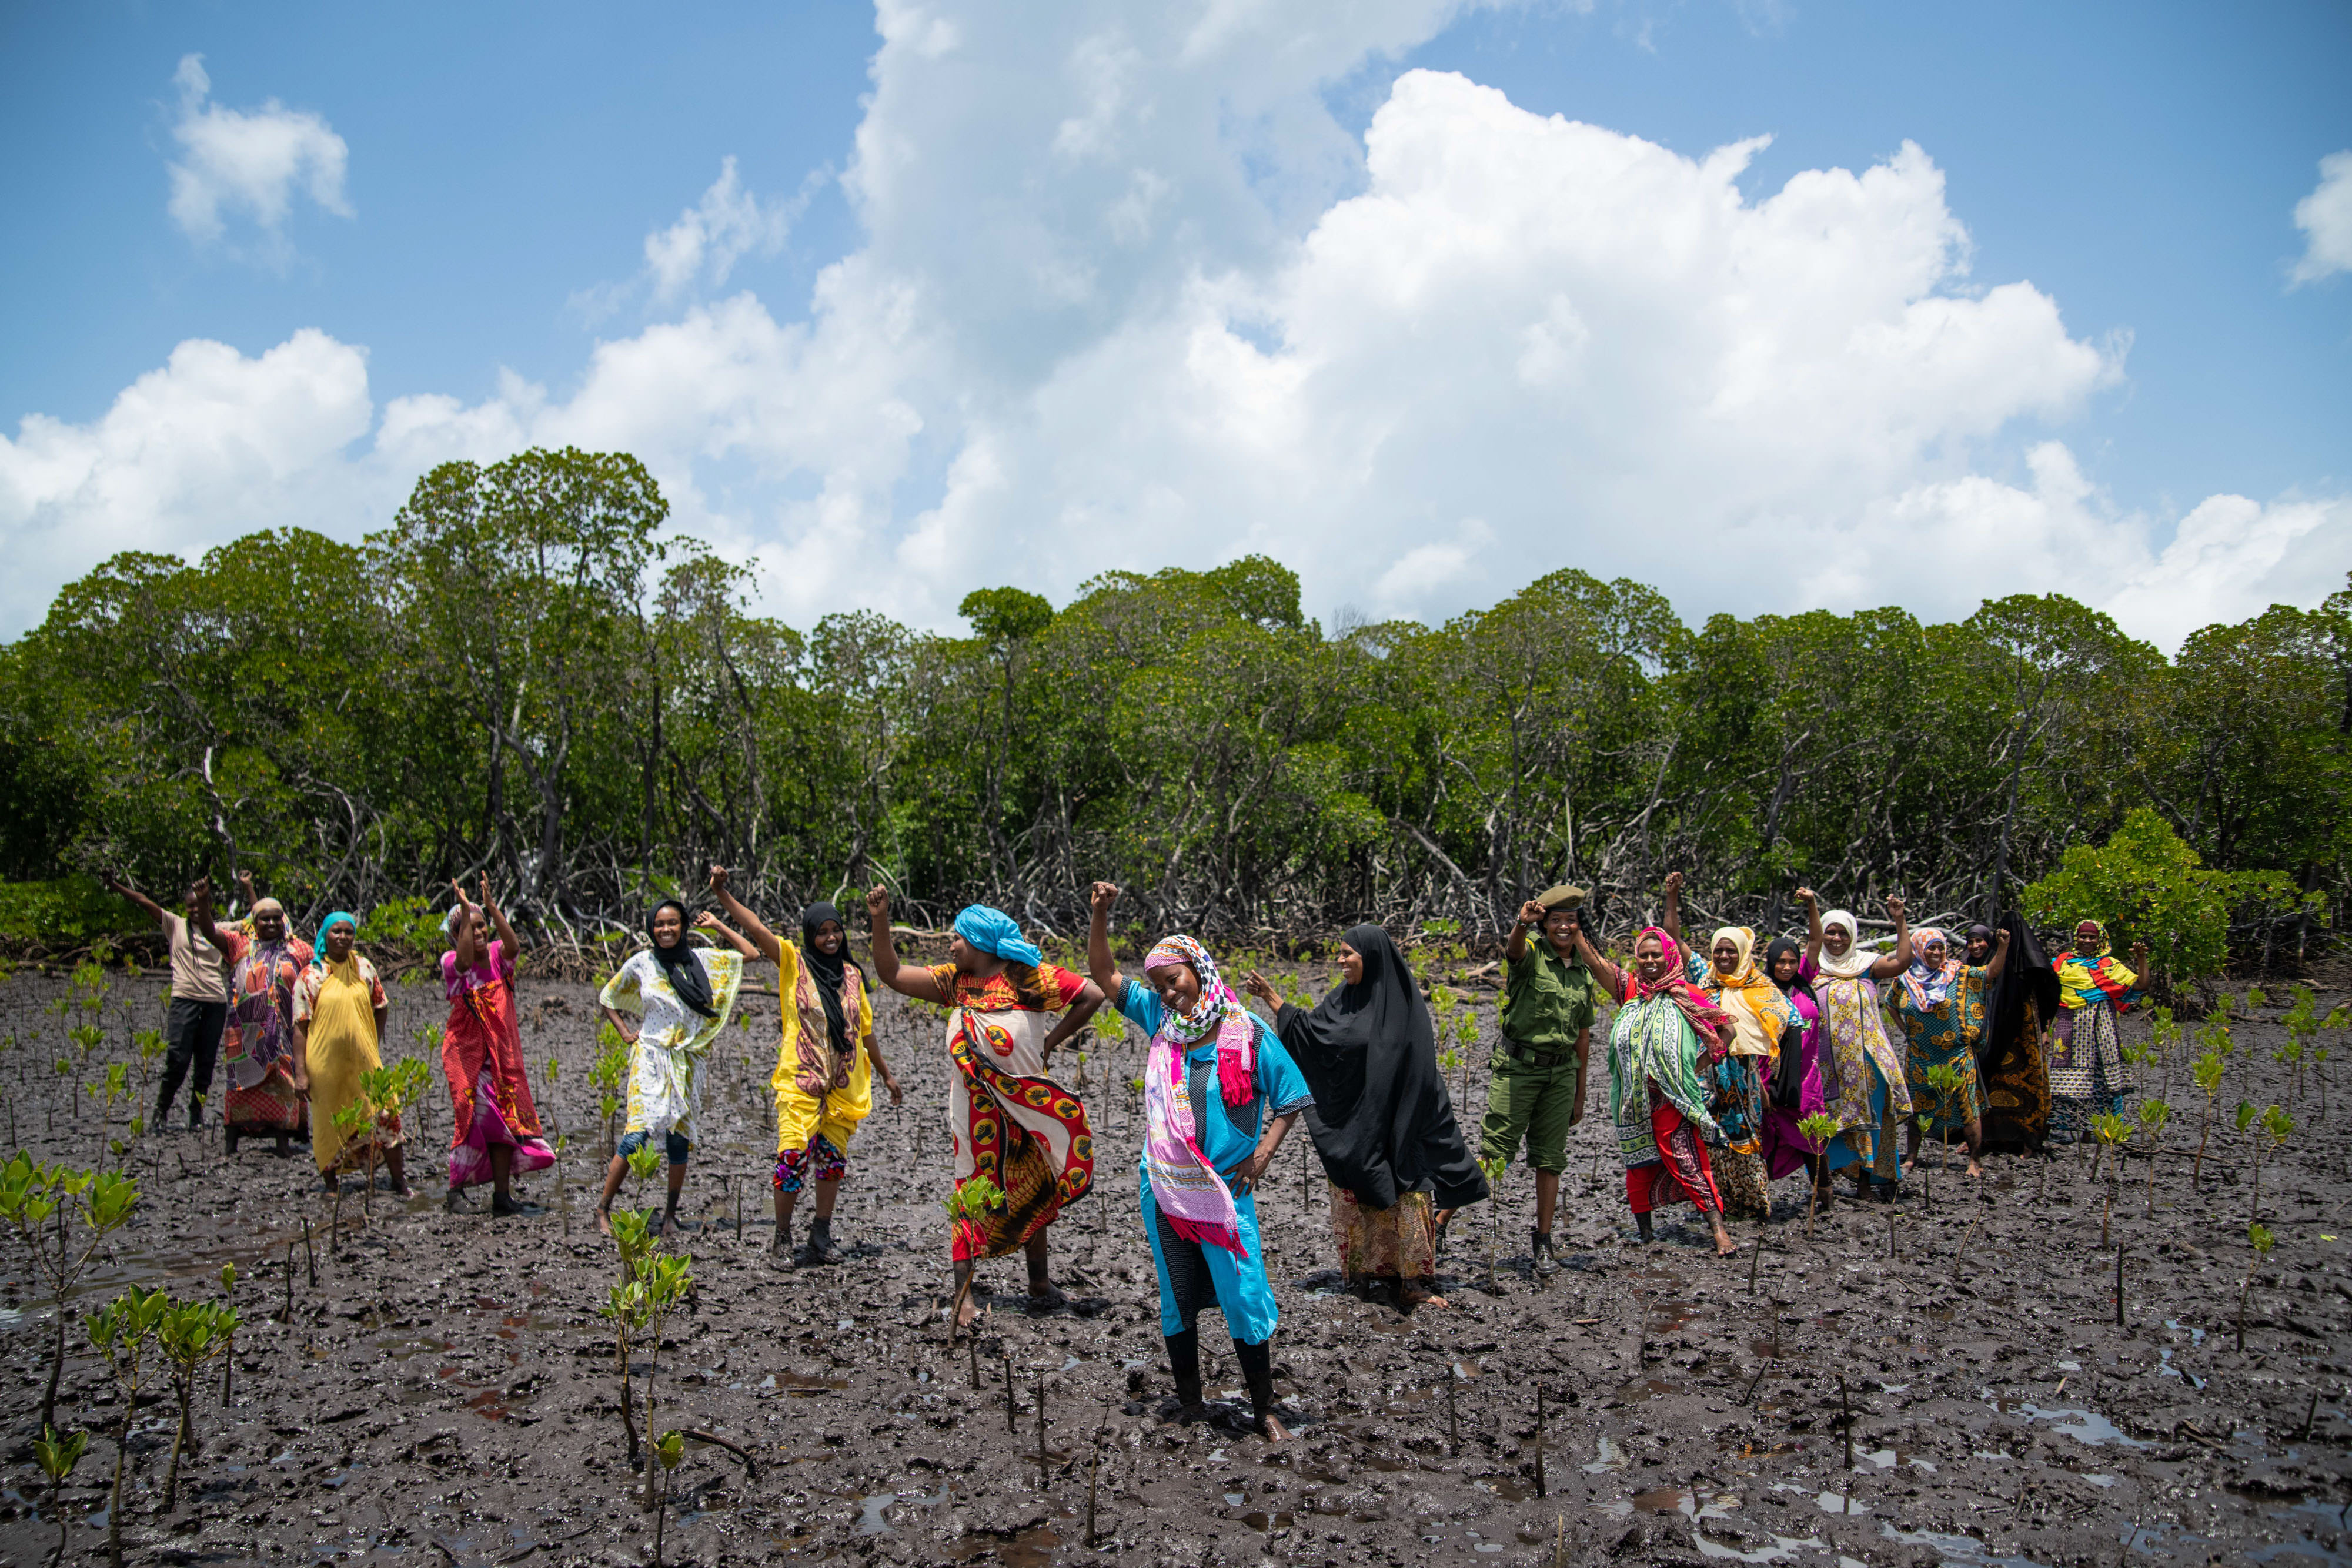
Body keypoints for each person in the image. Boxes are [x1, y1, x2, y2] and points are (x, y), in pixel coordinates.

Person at [1088, 884, 1312, 1440]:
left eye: (1175, 979)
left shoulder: (1248, 1031)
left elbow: (1291, 1096)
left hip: (1225, 1191)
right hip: (1164, 1187)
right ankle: (1191, 1402)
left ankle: (1264, 1408)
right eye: (1160, 985)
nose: (1168, 993)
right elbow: (1104, 973)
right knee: (1177, 1289)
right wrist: (1099, 915)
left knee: (1242, 1290)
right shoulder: (1161, 1024)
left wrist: (1261, 1156)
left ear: (1200, 969)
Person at [867, 888, 1105, 1326]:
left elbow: (1091, 994)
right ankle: (965, 1297)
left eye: (957, 938)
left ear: (979, 942)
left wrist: (1051, 1042)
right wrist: (881, 920)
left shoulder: (1027, 978)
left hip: (1025, 1105)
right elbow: (893, 974)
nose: (951, 945)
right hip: (975, 1116)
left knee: (1035, 1184)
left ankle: (1039, 1282)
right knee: (970, 1194)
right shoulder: (954, 982)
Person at [1241, 925, 1488, 1309]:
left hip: (1400, 1122)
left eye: (1347, 953)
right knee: (1357, 1187)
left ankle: (1414, 1282)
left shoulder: (1403, 1005)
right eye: (1339, 953)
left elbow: (1420, 1069)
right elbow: (1314, 1036)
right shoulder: (1343, 999)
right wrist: (1271, 997)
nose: (1340, 961)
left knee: (1407, 1193)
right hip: (1359, 1121)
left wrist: (1404, 1121)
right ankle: (1364, 1277)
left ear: (1369, 956)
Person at [705, 868, 903, 1268]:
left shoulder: (852, 975)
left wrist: (886, 1073)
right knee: (793, 1155)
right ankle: (782, 1238)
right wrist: (722, 893)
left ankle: (821, 1233)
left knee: (832, 1161)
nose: (830, 938)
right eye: (822, 931)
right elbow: (756, 927)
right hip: (802, 1080)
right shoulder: (794, 963)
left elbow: (864, 1031)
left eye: (836, 930)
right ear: (810, 933)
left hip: (843, 1084)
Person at [1569, 921, 1742, 1256]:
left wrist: (1698, 1066)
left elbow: (1728, 1031)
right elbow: (1594, 961)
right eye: (1644, 955)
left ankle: (1719, 1232)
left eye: (1656, 955)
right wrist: (1575, 926)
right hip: (1634, 1099)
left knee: (1687, 1159)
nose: (1650, 961)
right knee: (1639, 1165)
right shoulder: (1631, 991)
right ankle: (1645, 1234)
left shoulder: (1688, 994)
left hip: (1674, 1098)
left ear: (1670, 956)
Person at [595, 899, 758, 1238]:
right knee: (637, 1133)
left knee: (678, 1139)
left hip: (688, 1061)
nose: (666, 930)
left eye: (672, 923)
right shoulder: (643, 962)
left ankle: (670, 1215)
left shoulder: (703, 960)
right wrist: (626, 1033)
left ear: (684, 926)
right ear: (651, 929)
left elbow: (751, 954)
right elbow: (608, 997)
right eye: (659, 924)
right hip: (651, 1057)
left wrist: (716, 926)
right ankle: (604, 1208)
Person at [1481, 885, 1601, 1274]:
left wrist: (1581, 1094)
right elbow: (1513, 953)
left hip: (1561, 1073)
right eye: (1556, 920)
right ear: (1545, 924)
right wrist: (1520, 923)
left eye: (1571, 920)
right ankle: (1444, 1219)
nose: (1564, 926)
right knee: (1495, 1150)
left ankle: (1544, 1241)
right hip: (1518, 1069)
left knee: (1551, 1159)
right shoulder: (1532, 952)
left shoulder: (1583, 971)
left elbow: (1583, 1036)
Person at [441, 877, 555, 1215]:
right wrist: (465, 907)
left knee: (503, 1122)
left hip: (500, 1053)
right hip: (465, 1052)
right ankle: (455, 1190)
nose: (477, 933)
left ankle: (502, 1197)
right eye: (467, 927)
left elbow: (514, 946)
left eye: (480, 927)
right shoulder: (450, 961)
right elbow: (463, 964)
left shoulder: (496, 956)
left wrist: (490, 907)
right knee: (469, 1116)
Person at [1799, 891, 1915, 1200]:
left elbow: (1904, 960)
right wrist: (1811, 905)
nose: (1836, 938)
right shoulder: (1812, 969)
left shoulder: (1866, 965)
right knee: (1826, 1123)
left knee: (1869, 1121)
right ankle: (1827, 1188)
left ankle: (1865, 1185)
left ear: (1853, 936)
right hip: (1825, 1065)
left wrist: (1900, 920)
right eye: (1830, 932)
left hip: (1867, 1064)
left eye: (1842, 933)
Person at [102, 872, 236, 1131]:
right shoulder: (174, 924)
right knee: (177, 1057)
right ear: (185, 908)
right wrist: (115, 886)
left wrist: (248, 887)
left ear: (209, 905)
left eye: (201, 905)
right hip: (184, 1000)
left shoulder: (222, 929)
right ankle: (161, 1111)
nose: (196, 910)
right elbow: (144, 901)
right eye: (191, 906)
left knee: (206, 1062)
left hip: (215, 1002)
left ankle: (196, 1113)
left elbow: (257, 919)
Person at [291, 911, 411, 1195]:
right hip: (325, 1066)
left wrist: (373, 1040)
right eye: (337, 932)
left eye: (348, 932)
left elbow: (381, 1005)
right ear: (325, 935)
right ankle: (332, 1186)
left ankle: (399, 1182)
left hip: (364, 1061)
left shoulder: (364, 968)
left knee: (386, 1112)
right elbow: (300, 1026)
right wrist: (300, 1074)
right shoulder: (312, 974)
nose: (343, 937)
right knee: (329, 1121)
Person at [1692, 925, 1798, 1219]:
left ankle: (1752, 1204)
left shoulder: (1760, 985)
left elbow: (1793, 1018)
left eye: (1731, 951)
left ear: (1743, 953)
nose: (1724, 956)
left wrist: (1775, 1078)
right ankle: (1718, 1204)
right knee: (1713, 1140)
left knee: (1746, 1137)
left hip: (1745, 1078)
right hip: (1708, 1077)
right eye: (1719, 950)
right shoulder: (1703, 983)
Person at [1892, 925, 2011, 1179]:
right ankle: (1912, 1157)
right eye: (1930, 948)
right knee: (1918, 1109)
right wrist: (1907, 1032)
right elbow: (1891, 1005)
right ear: (1918, 950)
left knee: (1968, 1107)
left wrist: (2002, 947)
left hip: (1956, 1055)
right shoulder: (1905, 978)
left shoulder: (1959, 973)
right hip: (1920, 1057)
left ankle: (1975, 1161)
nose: (1936, 952)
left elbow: (1990, 973)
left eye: (1940, 947)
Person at [219, 883, 312, 1155]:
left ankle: (283, 1142)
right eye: (264, 918)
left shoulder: (299, 949)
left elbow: (316, 975)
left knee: (285, 1082)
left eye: (276, 918)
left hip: (284, 1033)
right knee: (238, 1087)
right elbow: (208, 930)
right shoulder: (240, 946)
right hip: (245, 1034)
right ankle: (231, 1143)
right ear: (254, 922)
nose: (271, 923)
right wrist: (202, 902)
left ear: (284, 920)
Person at [2046, 920, 2149, 1144]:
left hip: (2100, 1025)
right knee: (2064, 1076)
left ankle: (2097, 1130)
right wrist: (2045, 1029)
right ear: (2076, 937)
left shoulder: (2108, 964)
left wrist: (2141, 958)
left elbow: (2141, 985)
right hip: (2067, 1023)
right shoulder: (2061, 962)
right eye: (2083, 936)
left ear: (2100, 939)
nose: (2087, 941)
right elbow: (2046, 994)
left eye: (2092, 937)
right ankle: (2066, 1126)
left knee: (2100, 1077)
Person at [1973, 915, 2059, 1154]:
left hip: (2020, 1035)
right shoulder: (2000, 961)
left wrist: (2043, 1030)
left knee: (2026, 1084)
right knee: (1997, 1082)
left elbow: (2049, 996)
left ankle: (2027, 1139)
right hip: (2010, 1031)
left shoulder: (2034, 967)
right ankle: (1994, 1137)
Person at [1760, 935, 1832, 1206]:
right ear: (1771, 962)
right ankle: (1760, 1201)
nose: (1787, 968)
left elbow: (1816, 942)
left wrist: (1812, 903)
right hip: (1773, 1076)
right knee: (1767, 1134)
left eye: (1792, 962)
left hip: (1807, 1079)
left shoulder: (1804, 987)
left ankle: (1826, 1199)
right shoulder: (1762, 991)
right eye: (1781, 962)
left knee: (1812, 1137)